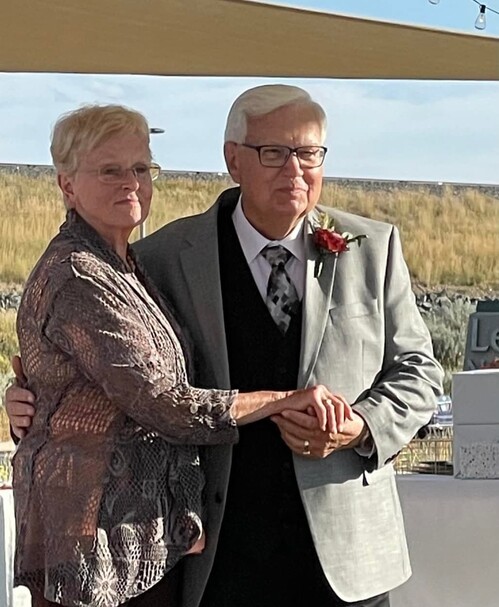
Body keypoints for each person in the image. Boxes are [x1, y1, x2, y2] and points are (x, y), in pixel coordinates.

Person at [7, 85, 443, 607]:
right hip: (217, 553)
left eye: (309, 152)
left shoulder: (374, 248)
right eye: (274, 152)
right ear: (233, 159)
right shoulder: (162, 256)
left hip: (348, 556)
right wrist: (37, 401)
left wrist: (362, 427)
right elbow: (123, 374)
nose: (295, 170)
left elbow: (420, 372)